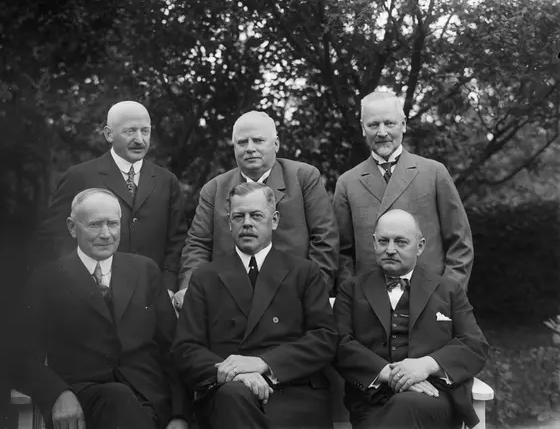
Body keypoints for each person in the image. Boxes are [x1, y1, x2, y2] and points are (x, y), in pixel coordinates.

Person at [12, 189, 188, 429]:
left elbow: (172, 350)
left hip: (149, 403)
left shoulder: (145, 271)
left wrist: (179, 415)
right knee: (118, 397)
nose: (106, 234)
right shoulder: (48, 279)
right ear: (72, 227)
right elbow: (19, 357)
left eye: (113, 224)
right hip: (84, 404)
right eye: (95, 225)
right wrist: (58, 393)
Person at [172, 182, 338, 429]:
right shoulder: (205, 277)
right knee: (232, 398)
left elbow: (324, 338)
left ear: (274, 220)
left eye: (256, 215)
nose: (247, 223)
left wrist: (264, 363)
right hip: (228, 393)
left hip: (293, 391)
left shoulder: (304, 273)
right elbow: (186, 349)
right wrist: (235, 373)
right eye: (239, 216)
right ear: (229, 223)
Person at [333, 209, 488, 429]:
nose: (390, 249)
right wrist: (391, 375)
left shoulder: (448, 290)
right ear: (374, 243)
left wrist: (427, 365)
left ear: (420, 246)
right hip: (373, 401)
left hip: (433, 397)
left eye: (401, 242)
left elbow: (474, 345)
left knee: (404, 406)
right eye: (383, 241)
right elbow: (339, 344)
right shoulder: (351, 290)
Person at [175, 110, 339, 308]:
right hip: (228, 300)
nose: (250, 148)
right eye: (242, 142)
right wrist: (190, 288)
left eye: (258, 140)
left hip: (293, 297)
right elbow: (198, 245)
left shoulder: (303, 178)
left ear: (276, 144)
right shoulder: (215, 189)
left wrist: (313, 294)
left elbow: (324, 239)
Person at [31, 101, 187, 292]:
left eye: (145, 131)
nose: (139, 140)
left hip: (151, 294)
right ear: (108, 134)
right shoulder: (80, 177)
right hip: (91, 294)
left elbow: (177, 242)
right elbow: (55, 237)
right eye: (130, 131)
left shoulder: (166, 181)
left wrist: (167, 288)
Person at [332, 91, 473, 292]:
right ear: (363, 128)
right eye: (373, 125)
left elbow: (460, 243)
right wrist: (352, 296)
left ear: (404, 124)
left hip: (429, 297)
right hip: (370, 300)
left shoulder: (434, 173)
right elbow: (342, 253)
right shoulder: (347, 183)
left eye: (389, 123)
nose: (382, 132)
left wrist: (448, 294)